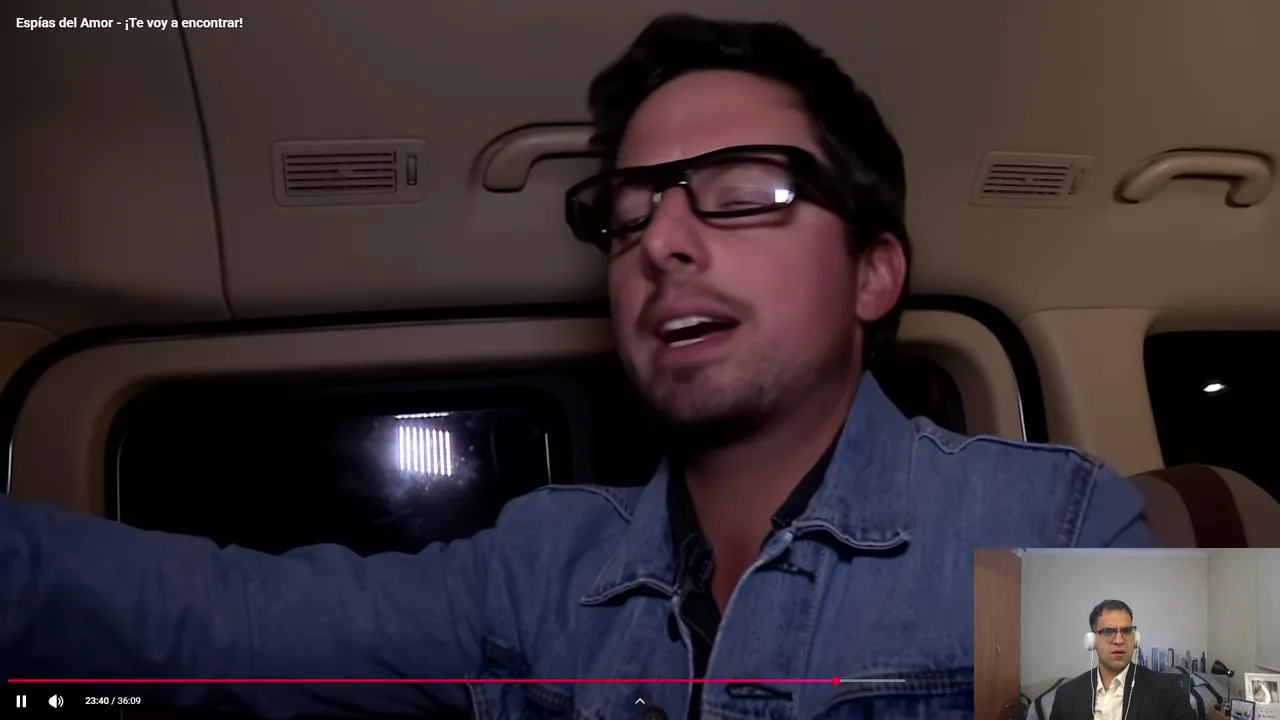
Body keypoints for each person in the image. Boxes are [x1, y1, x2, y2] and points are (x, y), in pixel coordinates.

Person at [0, 13, 1155, 720]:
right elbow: (224, 623)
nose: (661, 240)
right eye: (627, 212)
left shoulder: (1062, 524)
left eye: (742, 190)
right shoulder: (538, 566)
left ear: (871, 273)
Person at [1049, 600, 1194, 720]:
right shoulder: (1066, 695)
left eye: (1126, 631)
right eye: (1108, 631)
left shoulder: (1167, 690)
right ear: (1092, 641)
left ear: (1135, 639)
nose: (1119, 640)